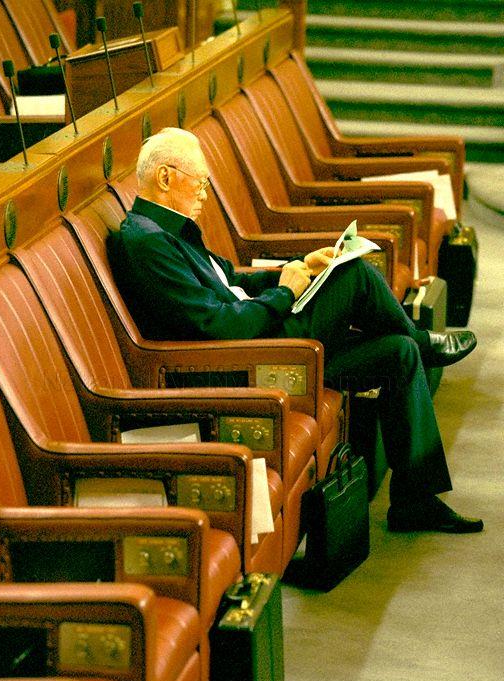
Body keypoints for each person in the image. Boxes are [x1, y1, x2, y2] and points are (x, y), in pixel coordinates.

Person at [113, 127, 483, 534]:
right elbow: (218, 326)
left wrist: (298, 267)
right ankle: (423, 340)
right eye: (200, 181)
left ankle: (415, 500)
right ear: (166, 178)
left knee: (397, 353)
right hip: (247, 360)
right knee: (356, 274)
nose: (205, 192)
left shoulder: (169, 230)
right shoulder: (148, 242)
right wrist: (285, 294)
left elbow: (231, 280)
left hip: (264, 336)